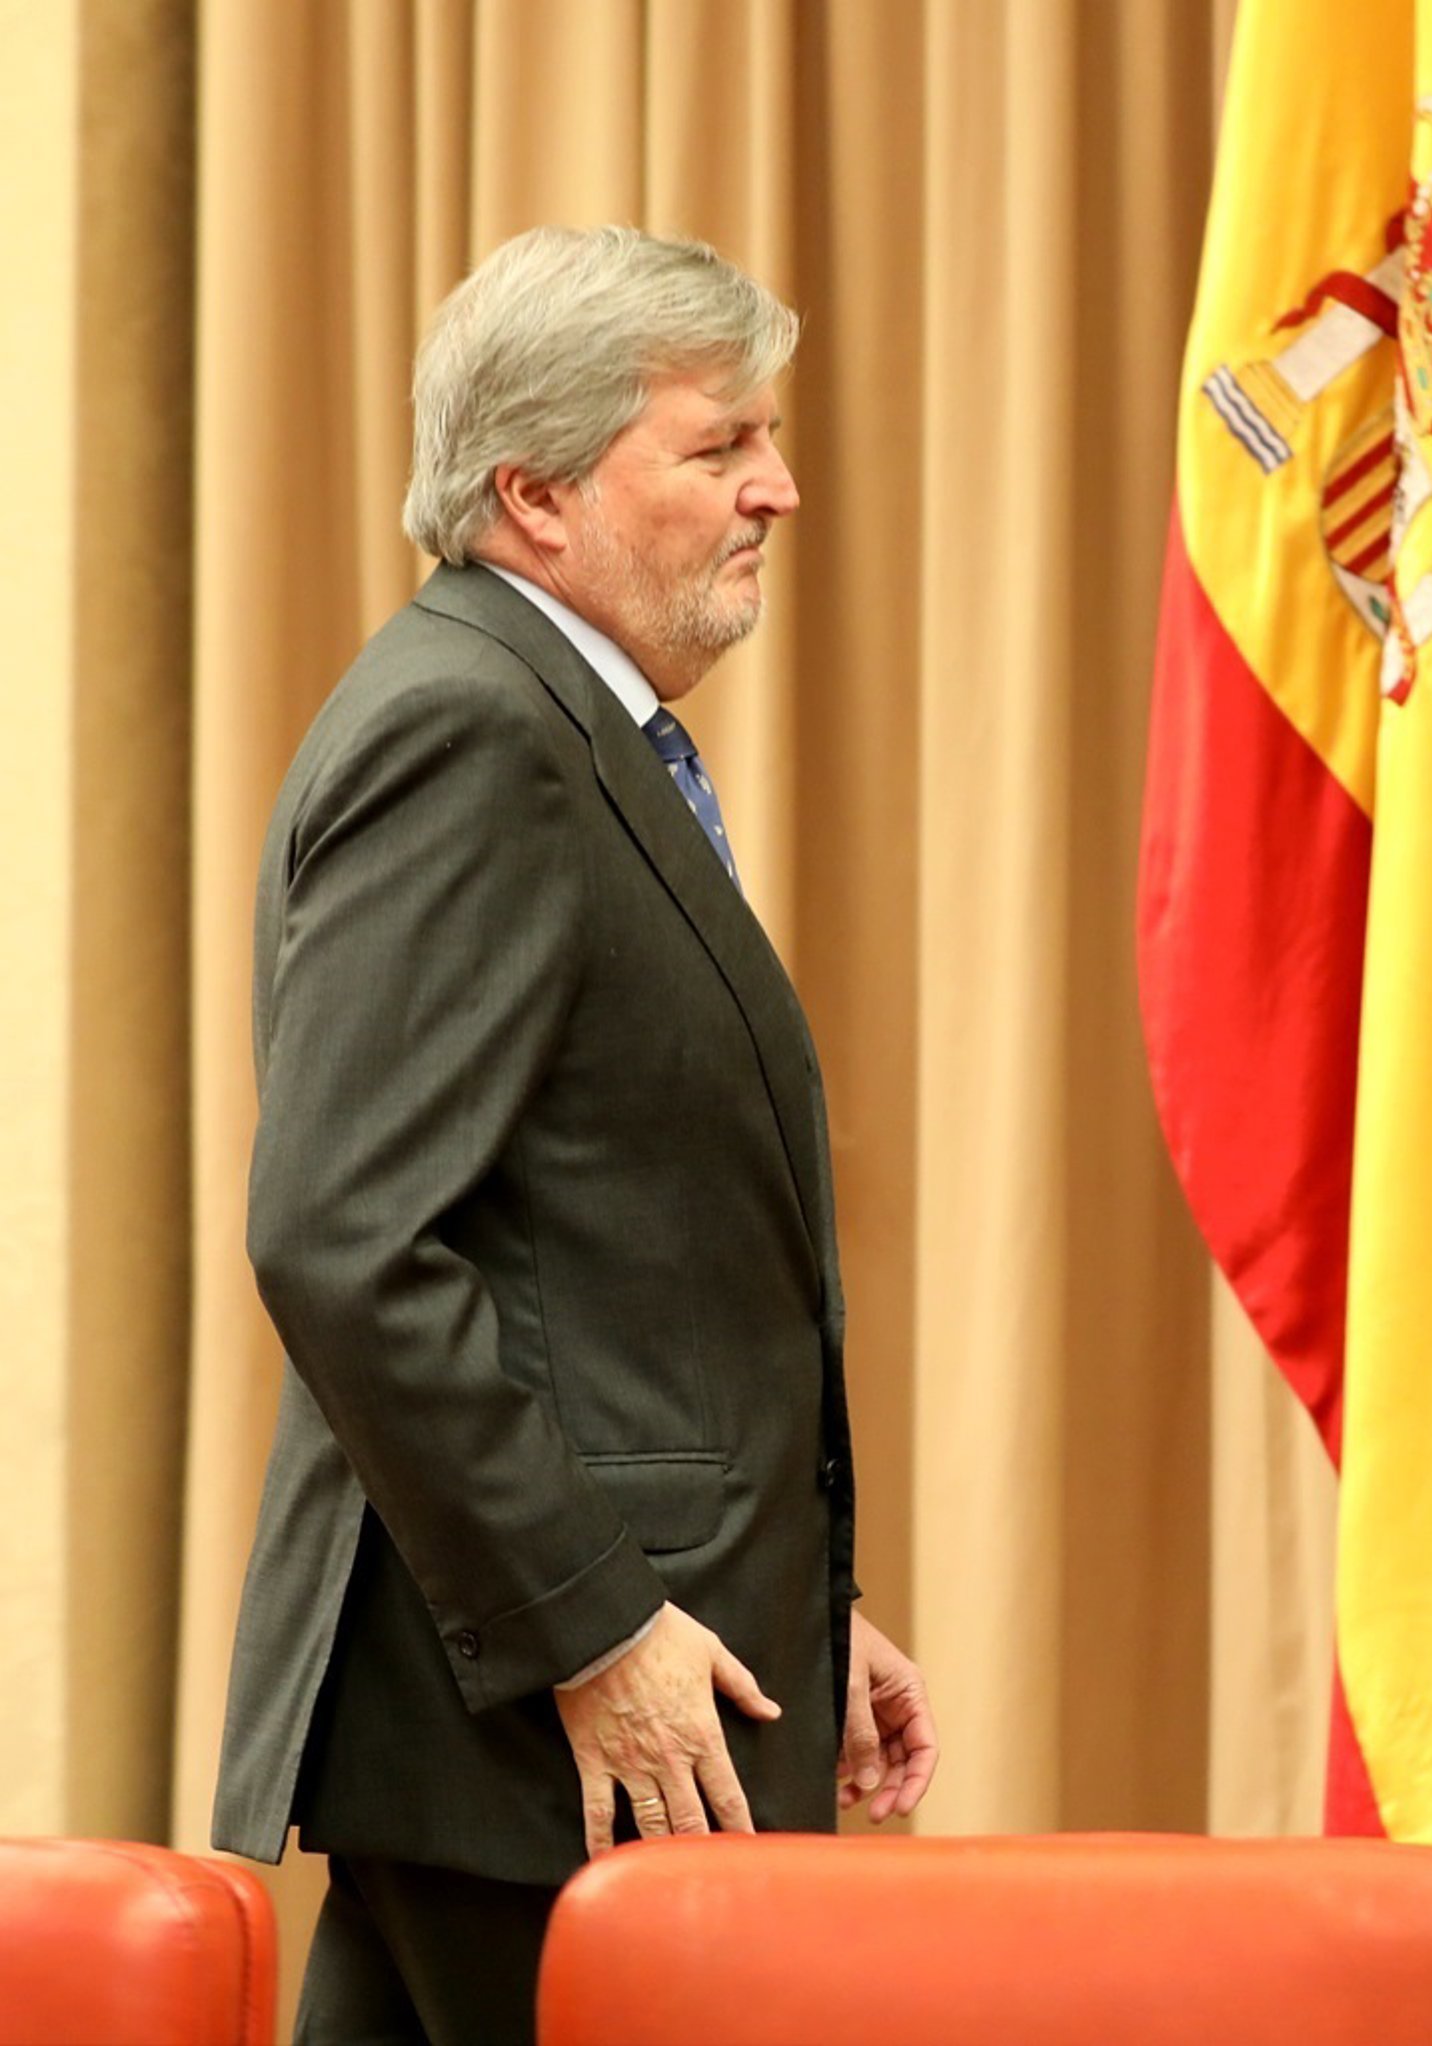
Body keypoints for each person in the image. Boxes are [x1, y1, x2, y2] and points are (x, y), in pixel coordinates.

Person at [211, 225, 938, 2045]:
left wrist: (798, 1604)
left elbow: (603, 1261)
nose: (778, 487)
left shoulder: (550, 719)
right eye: (719, 445)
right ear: (533, 496)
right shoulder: (475, 732)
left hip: (558, 1719)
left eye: (768, 438)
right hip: (540, 1739)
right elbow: (343, 1236)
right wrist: (595, 1624)